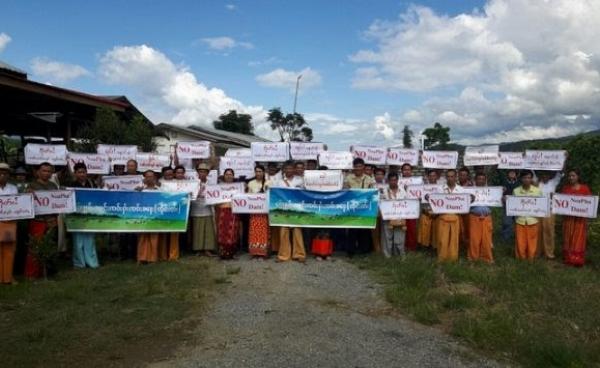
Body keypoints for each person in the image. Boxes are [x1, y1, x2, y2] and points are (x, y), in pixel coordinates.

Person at [26, 162, 59, 279]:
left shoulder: (53, 186)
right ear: (38, 172)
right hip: (38, 221)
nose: (46, 173)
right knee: (36, 247)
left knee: (51, 245)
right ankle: (33, 273)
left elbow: (59, 203)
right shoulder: (32, 186)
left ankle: (49, 271)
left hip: (51, 220)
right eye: (44, 170)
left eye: (49, 171)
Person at [273, 160, 306, 262]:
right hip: (284, 210)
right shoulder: (279, 182)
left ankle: (299, 254)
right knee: (284, 232)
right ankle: (283, 255)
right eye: (287, 168)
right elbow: (276, 195)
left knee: (297, 232)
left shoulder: (300, 180)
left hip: (296, 210)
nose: (289, 170)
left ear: (294, 169)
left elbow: (304, 193)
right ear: (284, 170)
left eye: (291, 168)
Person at [69, 162, 99, 269]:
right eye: (79, 172)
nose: (81, 174)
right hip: (76, 215)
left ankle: (92, 262)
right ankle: (79, 263)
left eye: (83, 172)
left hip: (89, 215)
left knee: (89, 240)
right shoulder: (71, 186)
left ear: (86, 172)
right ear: (75, 173)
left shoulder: (92, 184)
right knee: (77, 241)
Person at [343, 158, 376, 256]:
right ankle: (350, 251)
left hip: (365, 209)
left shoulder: (369, 179)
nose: (358, 168)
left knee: (364, 230)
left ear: (363, 167)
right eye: (356, 166)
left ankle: (364, 251)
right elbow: (345, 192)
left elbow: (373, 192)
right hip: (352, 208)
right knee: (352, 230)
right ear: (353, 167)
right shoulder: (348, 178)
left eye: (360, 166)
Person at [561, 169, 592, 267]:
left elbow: (589, 203)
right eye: (569, 176)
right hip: (568, 219)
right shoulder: (565, 189)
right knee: (568, 237)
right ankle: (568, 259)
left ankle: (577, 260)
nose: (571, 177)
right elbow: (561, 203)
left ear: (578, 177)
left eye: (573, 175)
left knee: (578, 238)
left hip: (580, 219)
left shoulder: (584, 188)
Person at [435, 169, 464, 262]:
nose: (450, 178)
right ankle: (442, 257)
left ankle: (453, 257)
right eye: (448, 176)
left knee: (454, 239)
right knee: (442, 239)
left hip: (455, 217)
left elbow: (464, 203)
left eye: (452, 176)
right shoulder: (440, 189)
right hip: (443, 217)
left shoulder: (461, 189)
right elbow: (436, 201)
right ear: (446, 177)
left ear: (455, 177)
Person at [513, 170, 542, 260]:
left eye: (529, 178)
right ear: (521, 179)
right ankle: (521, 258)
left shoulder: (537, 191)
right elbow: (513, 205)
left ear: (531, 179)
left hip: (533, 220)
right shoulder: (516, 191)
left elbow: (541, 205)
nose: (527, 180)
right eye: (525, 177)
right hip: (520, 220)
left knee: (532, 241)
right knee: (520, 241)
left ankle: (531, 258)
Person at [191, 163, 217, 256]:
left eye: (204, 171)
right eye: (200, 171)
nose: (202, 173)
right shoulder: (193, 183)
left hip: (207, 208)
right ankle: (198, 249)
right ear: (197, 173)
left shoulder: (211, 183)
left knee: (208, 230)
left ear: (207, 173)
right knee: (197, 229)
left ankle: (208, 249)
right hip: (196, 208)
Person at [536, 170, 562, 259]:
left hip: (550, 210)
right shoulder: (537, 182)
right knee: (538, 231)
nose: (545, 176)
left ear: (550, 175)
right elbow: (530, 168)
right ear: (541, 175)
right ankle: (538, 252)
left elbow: (560, 171)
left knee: (549, 231)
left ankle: (549, 253)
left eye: (547, 174)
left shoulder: (553, 182)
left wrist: (565, 159)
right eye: (543, 174)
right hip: (538, 210)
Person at [380, 172, 407, 258]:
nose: (393, 182)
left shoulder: (403, 191)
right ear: (388, 181)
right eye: (391, 180)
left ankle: (399, 255)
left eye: (395, 180)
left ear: (398, 180)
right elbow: (380, 204)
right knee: (387, 238)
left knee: (399, 237)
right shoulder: (383, 192)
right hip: (388, 218)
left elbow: (407, 204)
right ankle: (387, 256)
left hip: (400, 218)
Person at [468, 172, 494, 263]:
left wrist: (501, 193)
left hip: (487, 218)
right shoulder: (470, 191)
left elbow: (497, 200)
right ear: (475, 180)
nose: (481, 181)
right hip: (474, 217)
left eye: (483, 179)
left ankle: (487, 258)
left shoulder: (491, 191)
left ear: (485, 180)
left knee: (487, 239)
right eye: (479, 179)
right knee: (474, 239)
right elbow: (464, 203)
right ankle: (473, 258)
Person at [215, 168, 240, 259]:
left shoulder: (238, 187)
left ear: (233, 176)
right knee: (222, 231)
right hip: (222, 210)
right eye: (227, 174)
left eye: (230, 174)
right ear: (224, 176)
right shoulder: (219, 187)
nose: (229, 176)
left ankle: (231, 253)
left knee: (232, 231)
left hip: (233, 210)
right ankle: (222, 253)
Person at [0, 163, 18, 284]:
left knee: (9, 249)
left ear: (8, 175)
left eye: (5, 173)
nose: (2, 175)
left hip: (10, 222)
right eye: (0, 172)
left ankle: (8, 277)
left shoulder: (13, 188)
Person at [137, 170, 160, 264]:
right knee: (142, 237)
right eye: (147, 176)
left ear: (154, 178)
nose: (149, 178)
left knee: (154, 237)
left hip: (155, 216)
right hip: (143, 216)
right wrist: (136, 192)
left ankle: (152, 258)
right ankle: (141, 258)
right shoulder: (140, 189)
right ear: (144, 178)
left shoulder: (159, 190)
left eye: (151, 176)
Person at [247, 165, 270, 259]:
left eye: (260, 171)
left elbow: (270, 197)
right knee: (254, 232)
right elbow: (247, 197)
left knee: (263, 232)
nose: (258, 173)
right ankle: (254, 252)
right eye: (256, 171)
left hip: (264, 213)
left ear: (264, 172)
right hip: (254, 212)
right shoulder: (251, 183)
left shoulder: (268, 183)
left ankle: (263, 253)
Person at [158, 166, 180, 261]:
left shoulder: (179, 184)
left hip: (175, 211)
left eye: (171, 174)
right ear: (163, 174)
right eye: (167, 174)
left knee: (174, 233)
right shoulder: (159, 183)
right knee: (163, 233)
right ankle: (162, 255)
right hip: (162, 211)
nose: (169, 176)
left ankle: (173, 255)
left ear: (173, 174)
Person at [418, 169, 438, 249]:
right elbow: (420, 200)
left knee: (435, 232)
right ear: (428, 177)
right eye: (430, 176)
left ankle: (434, 247)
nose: (432, 177)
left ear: (437, 177)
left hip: (437, 214)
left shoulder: (441, 188)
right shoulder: (423, 188)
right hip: (426, 212)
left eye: (434, 175)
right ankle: (425, 248)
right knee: (425, 232)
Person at [401, 163, 418, 251]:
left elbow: (420, 193)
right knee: (402, 227)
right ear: (402, 171)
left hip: (412, 207)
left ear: (411, 171)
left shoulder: (417, 181)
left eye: (408, 170)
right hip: (401, 207)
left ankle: (412, 247)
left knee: (411, 227)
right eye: (405, 170)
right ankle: (402, 246)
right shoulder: (398, 181)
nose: (407, 171)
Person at [500, 169, 519, 241]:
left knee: (518, 221)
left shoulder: (519, 182)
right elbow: (499, 192)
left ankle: (518, 238)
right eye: (510, 172)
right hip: (507, 204)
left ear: (516, 174)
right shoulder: (504, 181)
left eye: (513, 172)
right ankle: (505, 238)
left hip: (517, 205)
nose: (512, 173)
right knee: (506, 222)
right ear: (507, 173)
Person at [457, 167, 473, 248]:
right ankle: (459, 245)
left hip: (468, 211)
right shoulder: (456, 186)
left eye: (464, 175)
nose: (462, 177)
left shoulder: (472, 186)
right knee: (459, 229)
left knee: (468, 229)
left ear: (467, 176)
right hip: (458, 211)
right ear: (458, 176)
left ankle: (468, 246)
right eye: (461, 175)